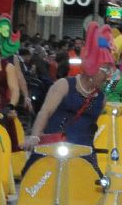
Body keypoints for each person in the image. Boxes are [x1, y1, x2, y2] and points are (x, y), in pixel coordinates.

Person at [23, 22, 114, 156]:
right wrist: (35, 136)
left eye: (110, 70)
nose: (108, 75)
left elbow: (101, 126)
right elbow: (45, 111)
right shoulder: (64, 85)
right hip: (53, 149)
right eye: (105, 70)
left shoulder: (102, 97)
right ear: (93, 67)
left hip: (84, 154)